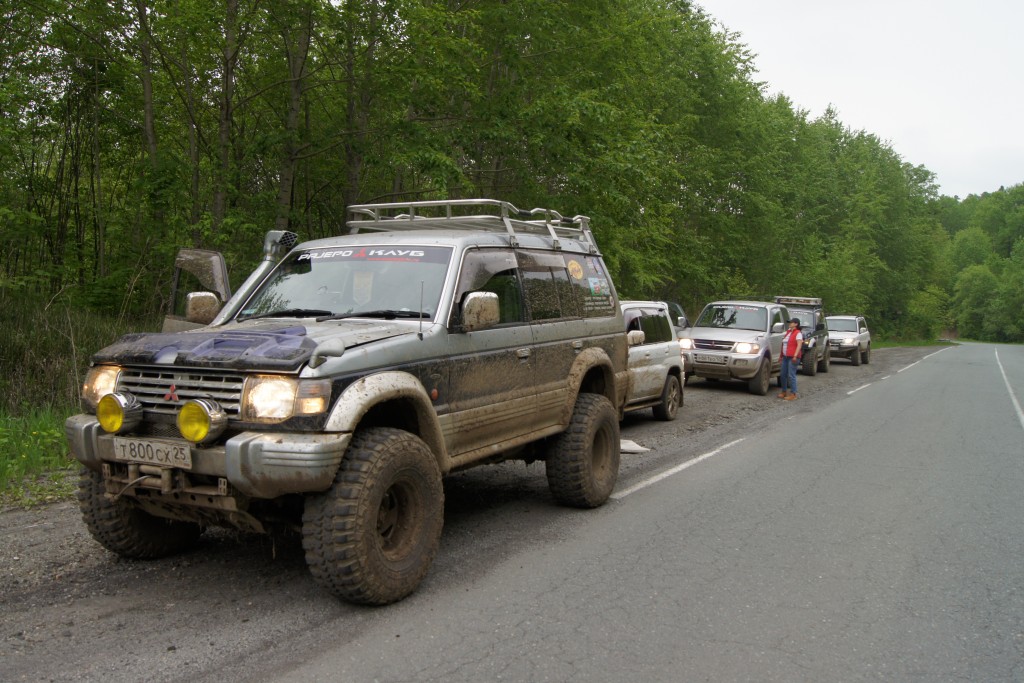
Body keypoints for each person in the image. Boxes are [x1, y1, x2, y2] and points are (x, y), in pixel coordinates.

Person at [778, 317, 803, 400]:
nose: (790, 323)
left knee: (791, 375)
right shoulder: (788, 332)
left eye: (791, 322)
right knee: (783, 374)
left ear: (796, 324)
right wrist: (781, 356)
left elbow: (799, 345)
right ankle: (784, 391)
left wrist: (795, 356)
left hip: (792, 357)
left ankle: (793, 393)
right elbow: (784, 344)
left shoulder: (798, 333)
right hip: (785, 356)